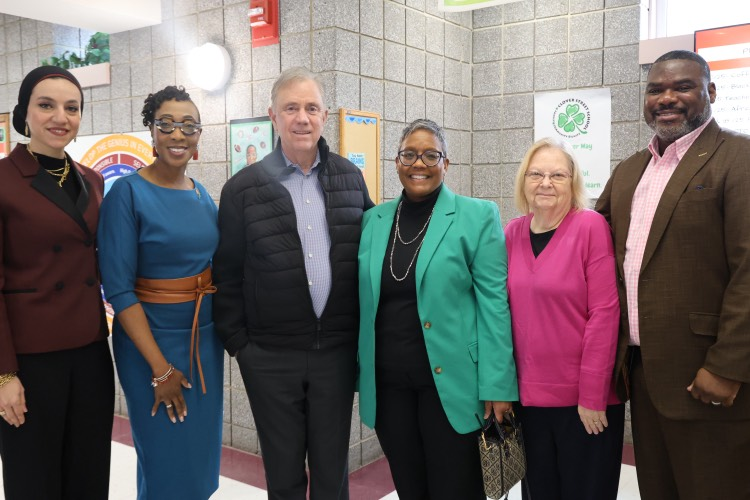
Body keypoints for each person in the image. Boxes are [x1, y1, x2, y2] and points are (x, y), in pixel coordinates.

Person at [596, 50, 750, 500]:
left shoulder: (738, 159)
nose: (667, 97)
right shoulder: (629, 171)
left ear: (711, 92)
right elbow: (589, 245)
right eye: (655, 89)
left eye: (682, 86)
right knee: (657, 489)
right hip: (641, 373)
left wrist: (727, 366)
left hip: (709, 374)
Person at [213, 67, 373, 499]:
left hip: (335, 354)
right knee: (283, 475)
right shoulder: (242, 189)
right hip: (269, 356)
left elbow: (368, 260)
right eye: (291, 108)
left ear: (324, 116)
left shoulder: (349, 179)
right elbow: (226, 273)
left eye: (311, 108)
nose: (302, 118)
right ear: (273, 116)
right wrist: (241, 347)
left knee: (331, 471)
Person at [357, 119, 518, 500]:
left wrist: (499, 386)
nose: (419, 164)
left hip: (453, 386)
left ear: (447, 163)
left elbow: (494, 305)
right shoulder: (373, 221)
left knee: (456, 489)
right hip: (389, 386)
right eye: (409, 154)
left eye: (431, 155)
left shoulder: (477, 216)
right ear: (396, 161)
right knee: (411, 488)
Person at [98, 86, 223, 499]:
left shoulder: (202, 194)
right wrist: (161, 369)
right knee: (165, 458)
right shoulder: (127, 194)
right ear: (151, 131)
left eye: (189, 125)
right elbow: (119, 290)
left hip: (203, 340)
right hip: (150, 343)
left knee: (199, 462)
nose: (178, 134)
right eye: (166, 124)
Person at [0, 66, 114, 499]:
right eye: (46, 105)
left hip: (89, 352)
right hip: (30, 359)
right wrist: (3, 374)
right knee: (34, 478)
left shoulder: (92, 178)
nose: (59, 116)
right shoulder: (4, 180)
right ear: (24, 113)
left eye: (72, 107)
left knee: (88, 473)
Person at [505, 138, 624, 499]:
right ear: (524, 180)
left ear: (573, 181)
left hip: (582, 402)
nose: (546, 183)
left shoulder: (589, 226)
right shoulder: (511, 232)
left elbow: (605, 313)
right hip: (528, 400)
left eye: (558, 175)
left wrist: (592, 395)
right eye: (536, 173)